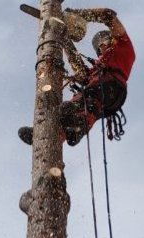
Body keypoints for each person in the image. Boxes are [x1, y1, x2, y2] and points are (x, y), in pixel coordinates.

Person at [18, 7, 135, 146]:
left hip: (112, 88)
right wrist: (65, 38)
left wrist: (77, 15)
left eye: (103, 44)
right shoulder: (97, 69)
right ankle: (54, 134)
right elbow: (82, 72)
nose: (101, 50)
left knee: (87, 103)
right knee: (66, 109)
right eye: (99, 49)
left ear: (111, 40)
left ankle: (78, 126)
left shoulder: (123, 46)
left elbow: (108, 15)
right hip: (103, 92)